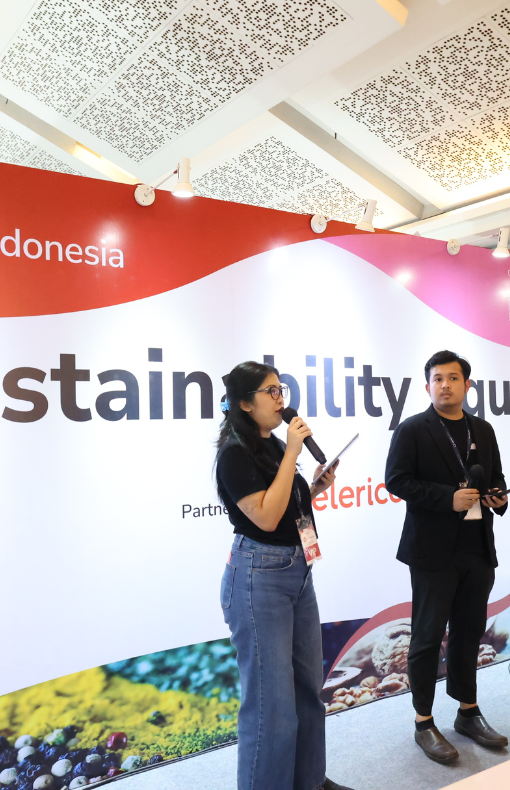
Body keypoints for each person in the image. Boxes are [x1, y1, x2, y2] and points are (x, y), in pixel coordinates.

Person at [216, 361, 353, 790]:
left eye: (281, 390)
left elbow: (286, 505)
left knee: (309, 692)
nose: (281, 399)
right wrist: (293, 451)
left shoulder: (274, 445)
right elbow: (267, 516)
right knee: (271, 707)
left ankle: (309, 781)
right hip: (259, 581)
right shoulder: (233, 455)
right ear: (244, 403)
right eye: (270, 392)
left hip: (297, 573)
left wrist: (312, 487)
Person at [385, 350, 508, 764]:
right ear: (427, 386)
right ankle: (423, 721)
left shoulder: (483, 429)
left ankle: (467, 712)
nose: (445, 385)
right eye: (437, 379)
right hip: (432, 551)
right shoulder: (413, 429)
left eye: (453, 378)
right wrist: (446, 498)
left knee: (469, 632)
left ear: (467, 385)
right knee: (425, 638)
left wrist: (498, 497)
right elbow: (396, 481)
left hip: (477, 549)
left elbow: (497, 479)